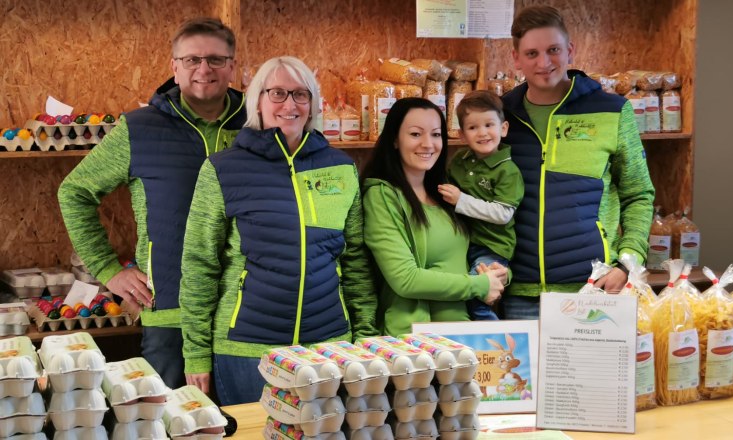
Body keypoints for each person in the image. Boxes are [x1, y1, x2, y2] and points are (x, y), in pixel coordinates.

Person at [178, 56, 378, 406]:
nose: (290, 104)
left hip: (329, 346)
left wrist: (365, 339)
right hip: (247, 350)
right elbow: (199, 266)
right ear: (258, 100)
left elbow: (356, 260)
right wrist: (195, 353)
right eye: (278, 93)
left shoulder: (341, 168)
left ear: (313, 103)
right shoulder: (223, 169)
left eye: (301, 94)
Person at [57, 17, 246, 388]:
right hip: (170, 311)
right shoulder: (140, 129)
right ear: (174, 68)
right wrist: (109, 270)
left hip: (243, 311)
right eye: (191, 60)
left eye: (216, 59)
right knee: (178, 420)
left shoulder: (258, 124)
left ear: (233, 66)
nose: (203, 69)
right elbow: (74, 192)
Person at [501, 5, 655, 319]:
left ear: (570, 50)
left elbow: (639, 194)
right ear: (516, 58)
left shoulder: (612, 110)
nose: (544, 63)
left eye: (553, 50)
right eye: (532, 53)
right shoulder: (500, 117)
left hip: (593, 289)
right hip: (518, 295)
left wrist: (628, 262)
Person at [362, 97, 506, 336]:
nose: (428, 144)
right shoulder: (381, 195)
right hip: (416, 344)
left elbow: (457, 260)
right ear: (395, 140)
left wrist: (493, 274)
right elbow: (405, 279)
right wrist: (478, 285)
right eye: (416, 134)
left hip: (462, 336)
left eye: (436, 134)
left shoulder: (445, 193)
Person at [438, 90, 524, 321]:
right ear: (462, 135)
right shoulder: (459, 161)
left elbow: (503, 214)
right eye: (473, 127)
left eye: (489, 125)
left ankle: (494, 349)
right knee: (458, 295)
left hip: (492, 246)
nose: (483, 133)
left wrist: (461, 201)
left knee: (478, 299)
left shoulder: (508, 170)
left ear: (503, 128)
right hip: (463, 243)